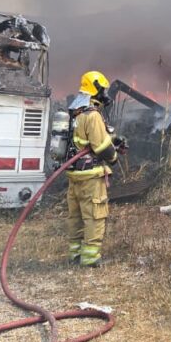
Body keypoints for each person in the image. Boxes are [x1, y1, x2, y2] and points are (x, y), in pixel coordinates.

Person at [65, 71, 127, 267]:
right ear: (97, 89)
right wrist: (114, 156)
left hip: (75, 174)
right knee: (94, 215)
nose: (105, 94)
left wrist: (114, 140)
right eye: (104, 90)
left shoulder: (74, 111)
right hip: (91, 177)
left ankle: (75, 255)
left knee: (75, 216)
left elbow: (87, 140)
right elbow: (101, 147)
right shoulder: (92, 115)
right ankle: (91, 259)